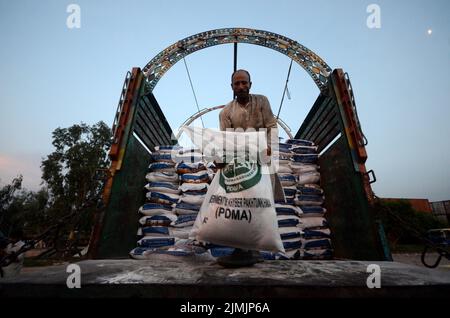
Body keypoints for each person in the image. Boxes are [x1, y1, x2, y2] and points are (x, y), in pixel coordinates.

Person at [216, 69, 284, 268]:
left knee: (260, 204)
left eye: (244, 83)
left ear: (250, 84)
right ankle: (243, 249)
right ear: (232, 87)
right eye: (237, 84)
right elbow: (226, 140)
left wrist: (270, 147)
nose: (241, 87)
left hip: (262, 161)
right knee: (240, 204)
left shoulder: (262, 101)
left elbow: (271, 125)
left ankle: (251, 250)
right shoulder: (226, 112)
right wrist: (221, 160)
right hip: (240, 165)